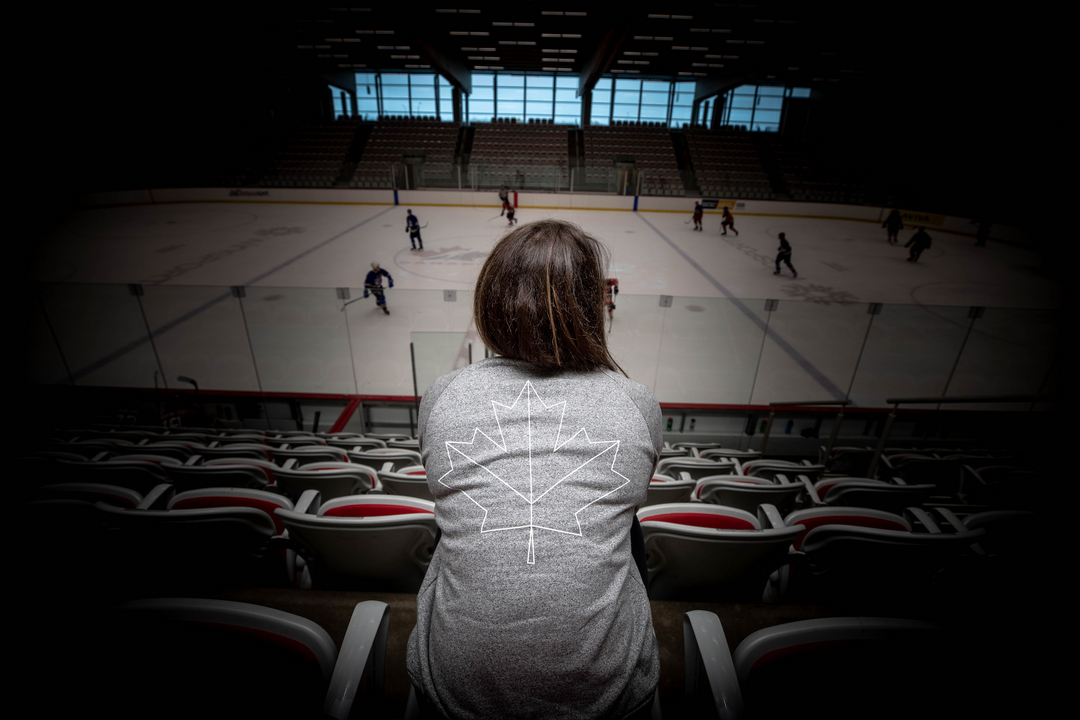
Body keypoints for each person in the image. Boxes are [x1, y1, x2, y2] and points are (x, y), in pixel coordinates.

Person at [406, 220, 660, 720]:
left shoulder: (443, 395)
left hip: (453, 695)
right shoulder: (637, 403)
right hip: (609, 702)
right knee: (626, 525)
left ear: (491, 301)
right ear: (589, 306)